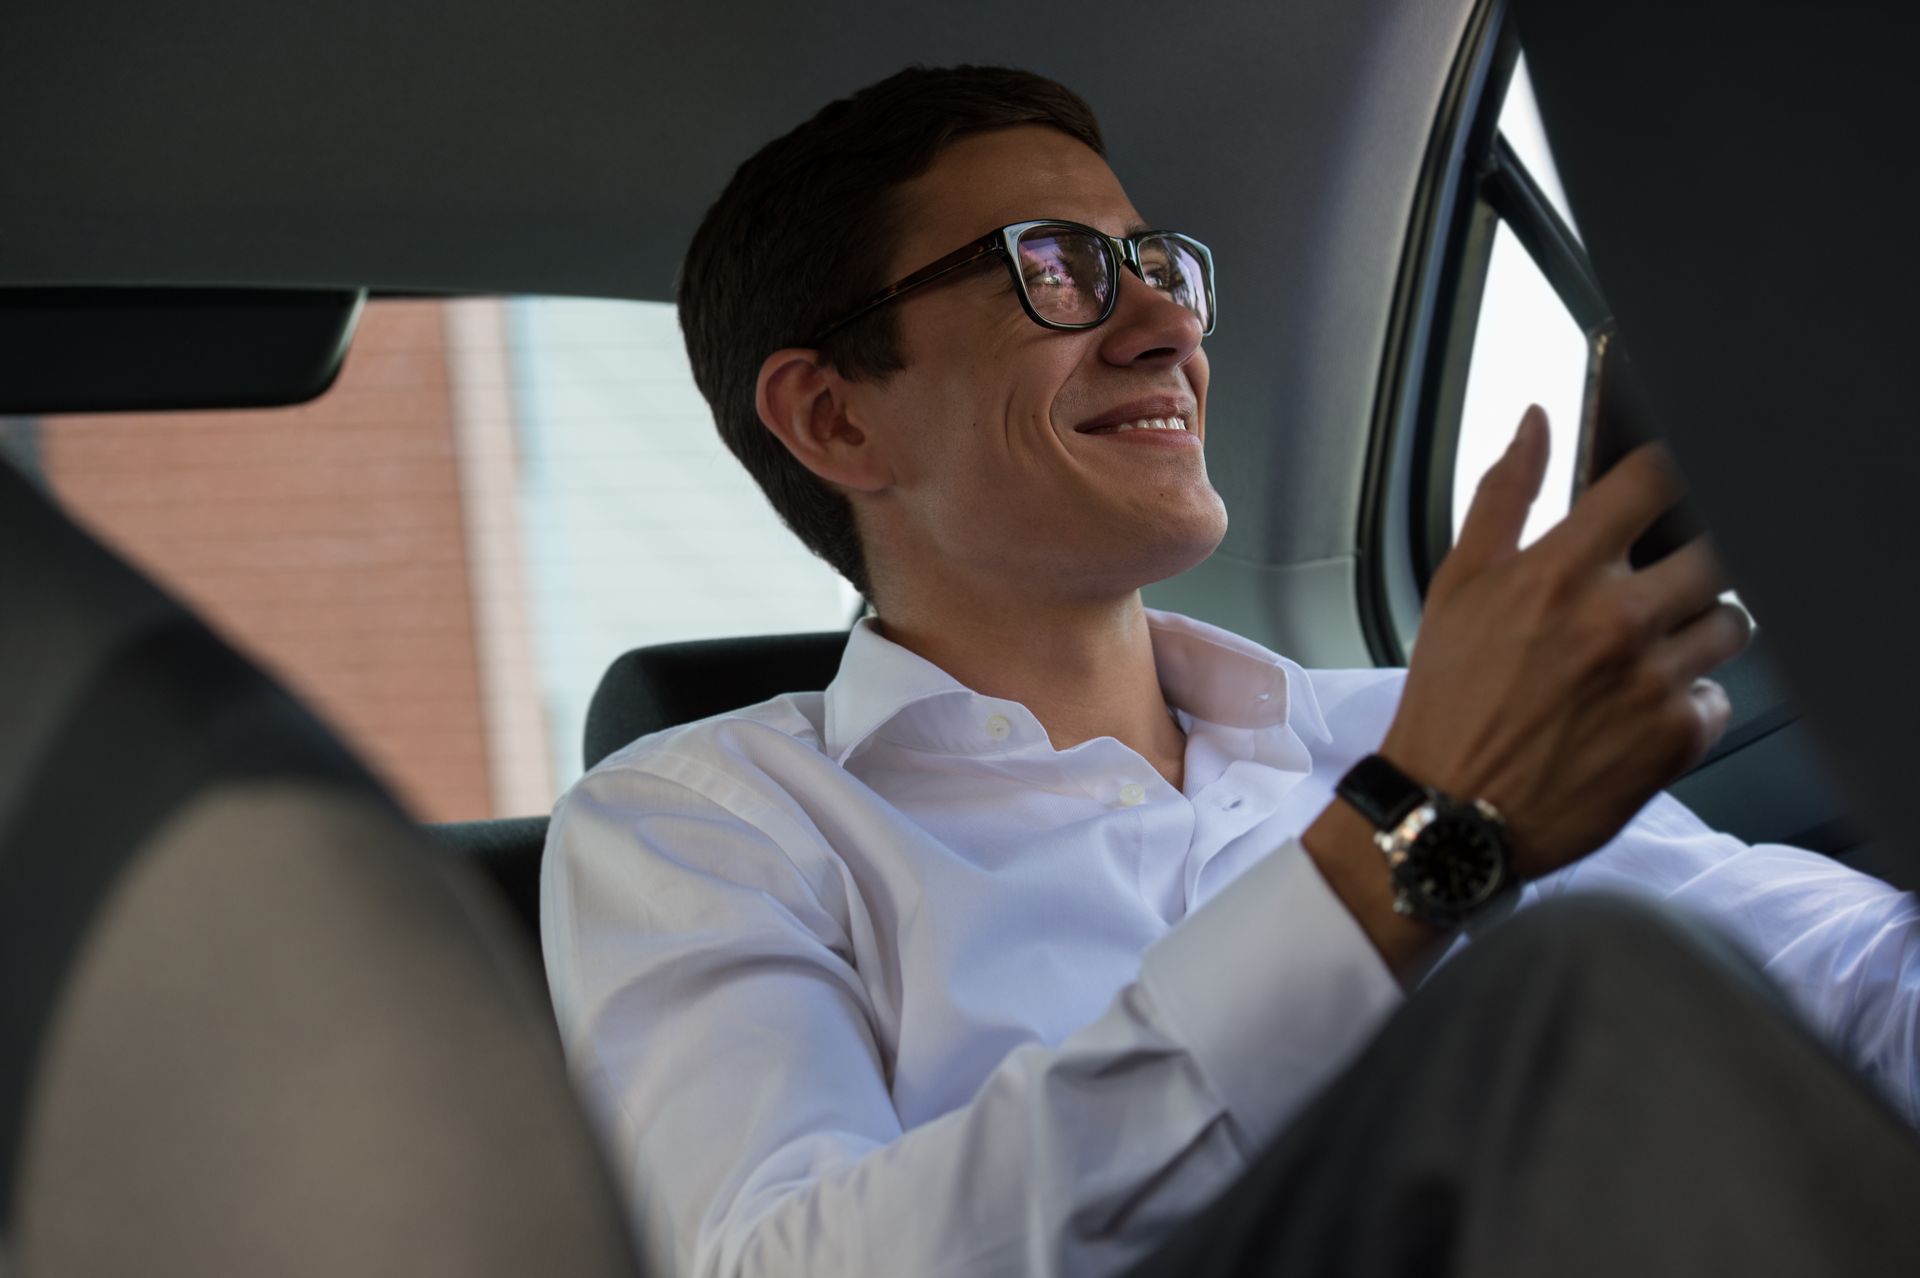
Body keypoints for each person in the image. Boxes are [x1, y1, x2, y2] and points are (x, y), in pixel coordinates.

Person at [541, 65, 1920, 1278]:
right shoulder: (701, 822)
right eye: (1060, 267)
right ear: (834, 415)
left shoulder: (1391, 721)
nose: (1168, 325)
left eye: (1163, 265)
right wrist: (1410, 841)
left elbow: (1852, 975)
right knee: (1580, 989)